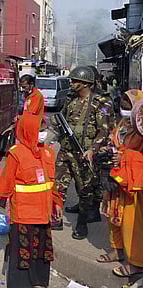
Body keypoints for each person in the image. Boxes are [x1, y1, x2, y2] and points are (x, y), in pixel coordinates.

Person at [0, 112, 63, 288]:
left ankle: (39, 283)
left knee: (41, 255)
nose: (44, 131)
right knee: (22, 256)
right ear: (29, 130)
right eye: (40, 128)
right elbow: (6, 182)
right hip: (24, 217)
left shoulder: (48, 153)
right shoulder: (16, 154)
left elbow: (52, 182)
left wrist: (57, 203)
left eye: (44, 127)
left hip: (43, 215)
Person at [52, 66, 114, 238]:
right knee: (58, 185)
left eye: (74, 81)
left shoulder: (101, 103)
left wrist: (92, 149)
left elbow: (105, 130)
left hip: (84, 153)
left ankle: (82, 223)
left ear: (85, 83)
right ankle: (55, 218)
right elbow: (61, 119)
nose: (71, 83)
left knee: (85, 190)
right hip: (66, 150)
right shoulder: (70, 100)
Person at [96, 90, 143, 285]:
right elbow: (114, 142)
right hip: (115, 177)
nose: (124, 110)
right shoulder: (123, 125)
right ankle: (117, 250)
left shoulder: (140, 130)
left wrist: (124, 158)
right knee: (112, 215)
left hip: (131, 183)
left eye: (128, 106)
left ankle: (136, 262)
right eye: (122, 106)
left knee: (132, 224)